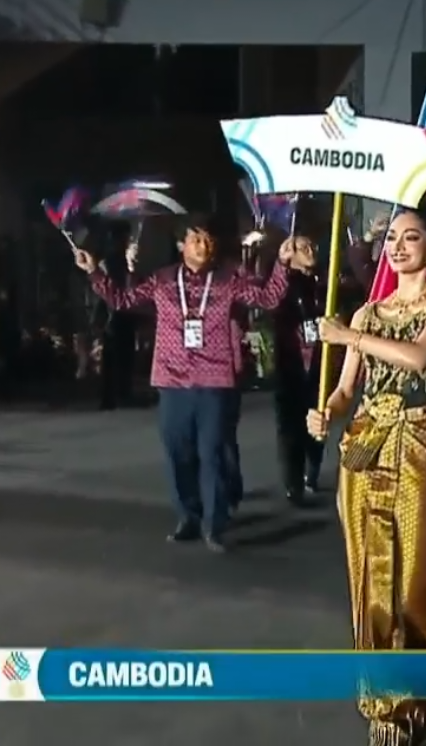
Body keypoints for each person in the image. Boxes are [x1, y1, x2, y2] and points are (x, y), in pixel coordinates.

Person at [306, 203, 426, 746]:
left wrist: (348, 338)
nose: (397, 247)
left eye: (410, 237)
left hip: (421, 443)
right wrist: (326, 412)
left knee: (413, 586)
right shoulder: (366, 315)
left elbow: (421, 358)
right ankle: (383, 707)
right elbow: (346, 391)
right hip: (366, 445)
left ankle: (417, 699)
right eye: (392, 237)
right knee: (369, 580)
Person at [74, 213, 293, 553]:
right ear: (181, 245)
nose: (203, 245)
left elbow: (267, 299)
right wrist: (94, 272)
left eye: (207, 239)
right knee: (179, 453)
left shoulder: (227, 280)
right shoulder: (163, 280)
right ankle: (188, 516)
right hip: (172, 380)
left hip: (215, 379)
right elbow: (123, 300)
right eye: (195, 239)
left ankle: (214, 525)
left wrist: (282, 263)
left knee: (212, 453)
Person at [272, 233, 327, 503]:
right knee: (290, 426)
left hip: (319, 362)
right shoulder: (283, 284)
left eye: (312, 245)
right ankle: (293, 482)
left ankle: (311, 473)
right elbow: (268, 299)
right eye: (303, 247)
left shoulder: (324, 282)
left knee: (318, 420)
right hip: (291, 363)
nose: (310, 250)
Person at [94, 223, 137, 410]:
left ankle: (116, 394)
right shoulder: (113, 261)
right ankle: (115, 394)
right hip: (115, 312)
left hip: (120, 312)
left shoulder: (119, 260)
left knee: (119, 355)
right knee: (116, 355)